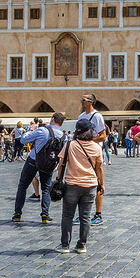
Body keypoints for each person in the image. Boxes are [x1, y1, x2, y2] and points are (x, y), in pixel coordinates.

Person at [57, 118, 104, 254]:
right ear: (90, 131)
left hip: (72, 184)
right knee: (85, 217)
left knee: (67, 216)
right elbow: (99, 168)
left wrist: (59, 180)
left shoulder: (70, 145)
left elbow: (61, 165)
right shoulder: (96, 147)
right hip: (90, 185)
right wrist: (101, 184)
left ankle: (65, 245)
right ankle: (81, 245)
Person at [13, 112, 65, 223]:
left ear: (52, 119)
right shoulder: (62, 135)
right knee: (45, 189)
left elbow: (23, 140)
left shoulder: (42, 130)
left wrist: (31, 129)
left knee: (23, 186)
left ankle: (17, 213)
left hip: (33, 161)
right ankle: (45, 215)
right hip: (49, 164)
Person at [77, 93, 107, 225]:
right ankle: (82, 215)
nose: (81, 102)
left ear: (90, 102)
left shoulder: (97, 116)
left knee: (98, 182)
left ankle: (98, 215)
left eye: (84, 100)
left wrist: (89, 140)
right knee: (81, 183)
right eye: (81, 100)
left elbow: (103, 136)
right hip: (83, 152)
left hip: (94, 152)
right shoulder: (81, 117)